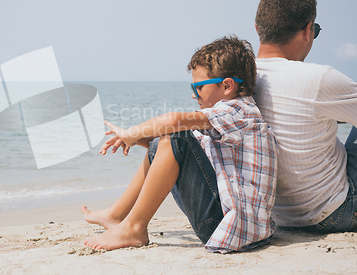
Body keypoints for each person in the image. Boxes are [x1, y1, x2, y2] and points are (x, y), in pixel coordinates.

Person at [81, 36, 278, 253]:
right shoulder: (225, 119)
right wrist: (139, 140)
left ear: (227, 86)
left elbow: (173, 122)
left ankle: (134, 227)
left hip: (229, 225)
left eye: (198, 88)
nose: (194, 96)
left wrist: (131, 132)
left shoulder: (239, 111)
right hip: (223, 221)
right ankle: (116, 215)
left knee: (175, 135)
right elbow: (179, 157)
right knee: (167, 140)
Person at [253, 0, 357, 232]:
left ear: (257, 28)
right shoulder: (319, 78)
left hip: (272, 216)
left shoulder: (238, 78)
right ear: (308, 30)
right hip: (333, 212)